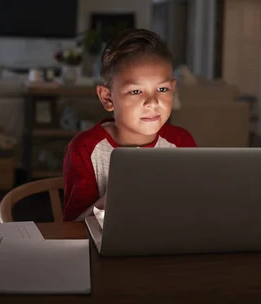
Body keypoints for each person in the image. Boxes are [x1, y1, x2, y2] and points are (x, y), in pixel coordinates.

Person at [62, 29, 197, 221]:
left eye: (162, 89)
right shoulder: (84, 149)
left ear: (172, 89)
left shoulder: (181, 141)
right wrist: (114, 198)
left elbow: (193, 209)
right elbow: (71, 228)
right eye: (135, 92)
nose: (152, 102)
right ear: (107, 98)